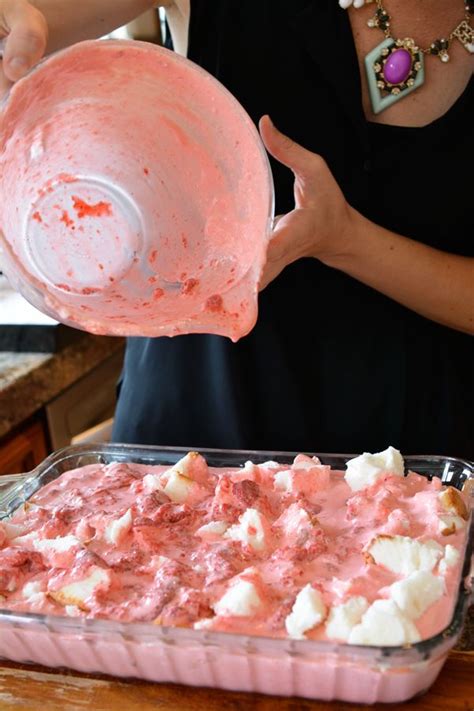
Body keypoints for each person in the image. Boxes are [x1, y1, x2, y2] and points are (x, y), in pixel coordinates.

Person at [1, 0, 472, 458]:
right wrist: (15, 23)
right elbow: (34, 17)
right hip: (193, 436)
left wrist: (347, 240)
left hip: (422, 459)